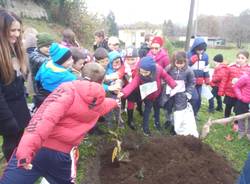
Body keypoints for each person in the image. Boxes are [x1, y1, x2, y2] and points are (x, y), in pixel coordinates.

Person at [0, 62, 119, 184]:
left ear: (81, 74)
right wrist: (116, 101)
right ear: (102, 80)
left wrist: (25, 151)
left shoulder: (67, 90)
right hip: (62, 156)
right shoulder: (97, 101)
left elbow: (44, 119)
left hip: (39, 148)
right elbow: (105, 105)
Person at [0, 9, 31, 161]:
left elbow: (20, 79)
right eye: (12, 30)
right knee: (10, 143)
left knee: (20, 139)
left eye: (19, 30)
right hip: (6, 111)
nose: (17, 34)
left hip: (19, 106)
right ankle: (12, 171)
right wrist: (7, 120)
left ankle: (21, 165)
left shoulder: (14, 48)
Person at [118, 56, 176, 136]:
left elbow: (166, 77)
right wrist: (123, 92)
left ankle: (157, 122)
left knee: (157, 109)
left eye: (146, 72)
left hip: (157, 93)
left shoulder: (158, 69)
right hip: (147, 96)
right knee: (147, 111)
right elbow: (132, 84)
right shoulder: (139, 75)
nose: (143, 74)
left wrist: (173, 85)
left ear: (152, 70)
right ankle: (145, 128)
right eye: (141, 71)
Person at [35, 42, 77, 108]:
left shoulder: (45, 66)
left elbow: (37, 79)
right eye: (68, 60)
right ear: (61, 61)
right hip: (58, 102)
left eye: (72, 58)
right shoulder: (70, 77)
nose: (72, 61)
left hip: (43, 97)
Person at [162, 51, 195, 134]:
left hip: (181, 94)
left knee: (177, 110)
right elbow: (163, 76)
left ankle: (174, 125)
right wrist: (164, 84)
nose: (179, 65)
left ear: (185, 61)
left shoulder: (189, 71)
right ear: (174, 61)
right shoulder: (169, 68)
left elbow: (192, 82)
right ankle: (168, 120)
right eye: (177, 63)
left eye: (182, 63)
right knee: (168, 107)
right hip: (169, 93)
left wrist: (188, 93)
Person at [218, 50, 250, 131]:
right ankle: (226, 119)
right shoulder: (231, 67)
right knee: (228, 107)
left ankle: (236, 123)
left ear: (247, 59)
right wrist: (221, 91)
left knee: (238, 110)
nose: (240, 59)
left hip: (241, 95)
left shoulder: (248, 69)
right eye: (238, 57)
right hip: (230, 92)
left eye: (242, 58)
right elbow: (225, 79)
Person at [187, 37, 210, 119]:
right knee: (194, 98)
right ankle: (190, 113)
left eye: (202, 50)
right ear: (195, 47)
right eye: (199, 50)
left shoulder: (205, 57)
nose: (201, 51)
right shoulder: (189, 54)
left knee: (199, 99)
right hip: (191, 81)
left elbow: (206, 68)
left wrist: (207, 79)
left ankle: (195, 113)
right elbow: (184, 67)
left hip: (200, 82)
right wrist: (191, 61)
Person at [233, 70, 250, 139]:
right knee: (241, 117)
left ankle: (249, 132)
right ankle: (241, 131)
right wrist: (240, 97)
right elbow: (236, 86)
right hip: (243, 102)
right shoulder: (246, 77)